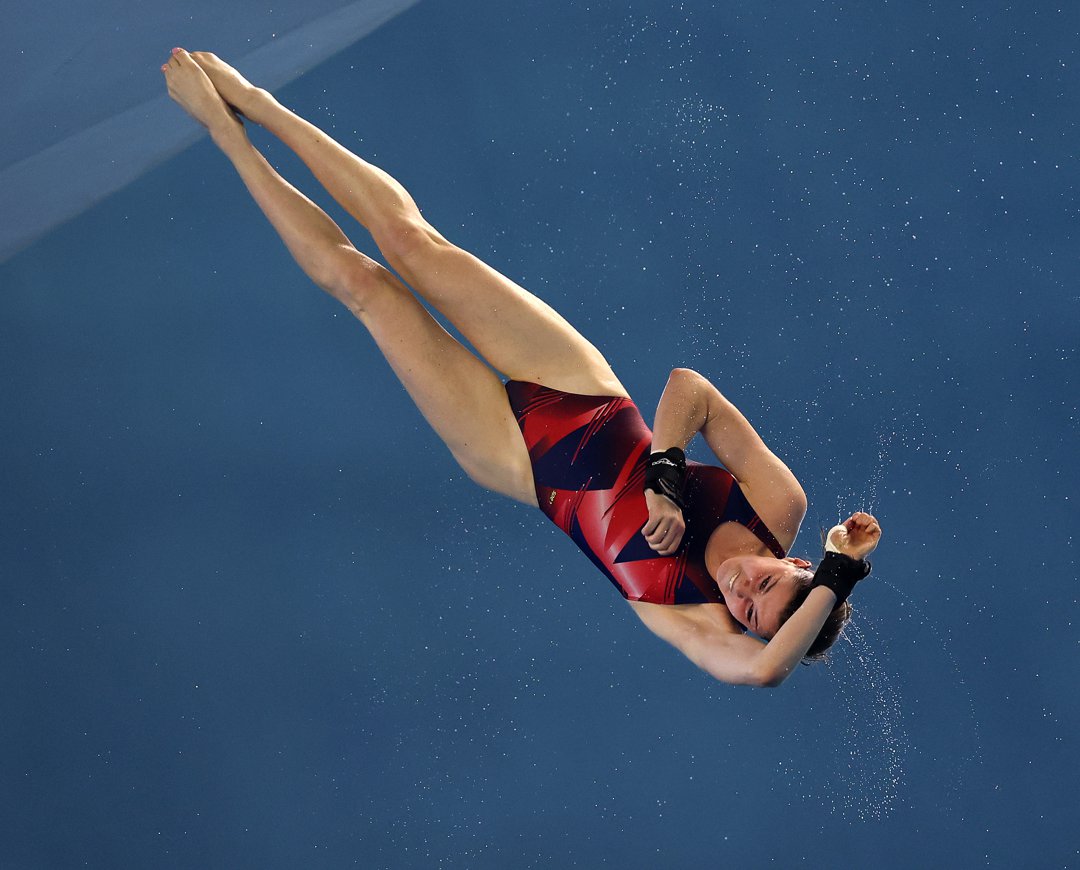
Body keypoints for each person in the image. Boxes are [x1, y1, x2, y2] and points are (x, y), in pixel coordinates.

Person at [162, 48, 882, 688]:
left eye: (749, 612)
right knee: (411, 244)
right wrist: (663, 476)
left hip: (517, 461)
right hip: (585, 392)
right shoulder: (778, 505)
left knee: (365, 286)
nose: (740, 591)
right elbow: (689, 389)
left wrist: (842, 572)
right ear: (796, 563)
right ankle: (255, 102)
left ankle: (225, 132)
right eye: (764, 585)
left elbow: (764, 671)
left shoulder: (698, 621)